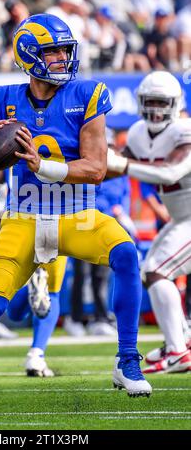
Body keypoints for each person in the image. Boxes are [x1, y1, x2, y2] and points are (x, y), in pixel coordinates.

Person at [0, 13, 151, 416]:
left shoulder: (88, 94)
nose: (61, 58)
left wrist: (43, 166)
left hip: (78, 215)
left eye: (64, 50)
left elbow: (94, 167)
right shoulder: (3, 97)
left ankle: (127, 359)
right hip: (23, 216)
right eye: (51, 51)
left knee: (127, 255)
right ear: (28, 55)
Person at [107, 71, 191, 373]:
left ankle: (179, 352)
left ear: (175, 103)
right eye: (150, 102)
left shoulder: (185, 130)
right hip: (182, 217)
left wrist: (123, 163)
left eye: (161, 102)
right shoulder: (138, 133)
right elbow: (113, 165)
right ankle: (180, 342)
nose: (155, 109)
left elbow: (170, 173)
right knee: (152, 270)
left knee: (158, 270)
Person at [0, 169, 67, 376]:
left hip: (20, 226)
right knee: (50, 294)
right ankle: (36, 355)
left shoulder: (12, 139)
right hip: (57, 222)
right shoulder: (68, 139)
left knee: (14, 308)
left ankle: (32, 289)